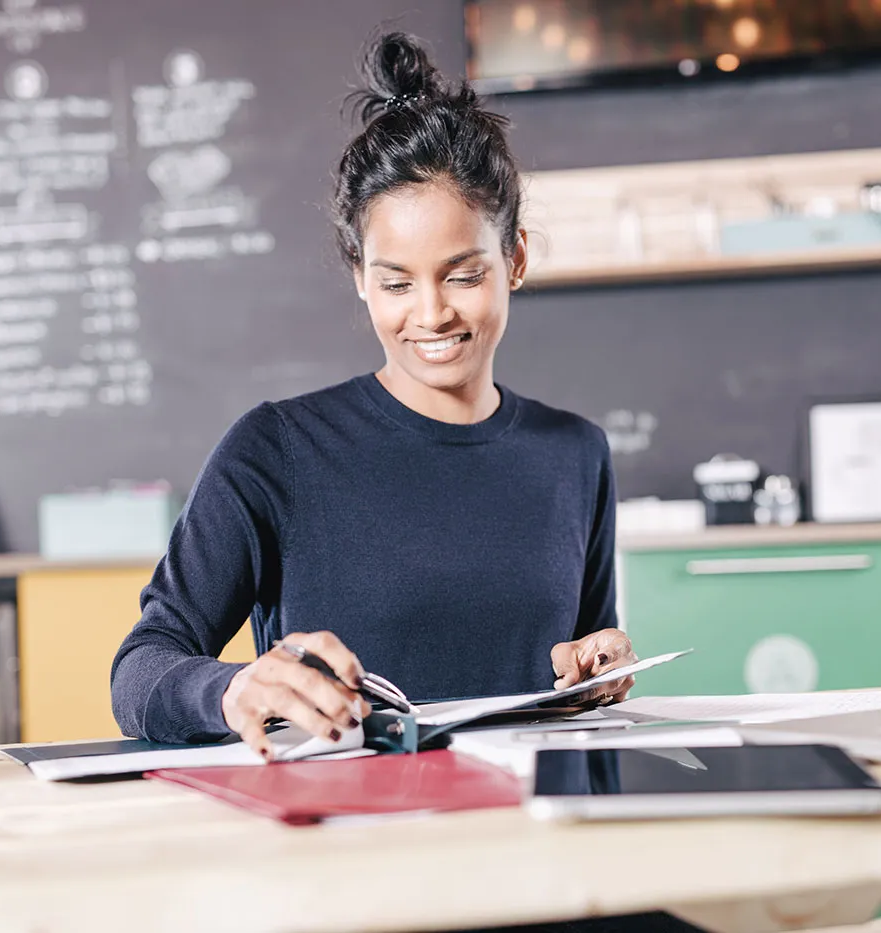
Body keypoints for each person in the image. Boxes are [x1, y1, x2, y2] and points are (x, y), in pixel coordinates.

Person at [109, 32, 641, 759]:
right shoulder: (275, 450)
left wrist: (599, 667)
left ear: (513, 259)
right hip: (346, 844)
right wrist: (234, 688)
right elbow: (141, 670)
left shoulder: (576, 453)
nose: (430, 314)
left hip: (528, 838)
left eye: (461, 274)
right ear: (359, 275)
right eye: (396, 282)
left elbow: (579, 661)